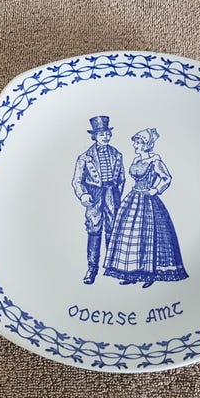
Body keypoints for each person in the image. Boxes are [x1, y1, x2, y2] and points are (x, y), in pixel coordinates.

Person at [104, 128, 188, 288]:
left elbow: (166, 178)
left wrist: (155, 189)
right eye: (135, 142)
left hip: (148, 201)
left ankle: (150, 274)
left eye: (138, 142)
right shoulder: (136, 159)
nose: (135, 145)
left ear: (146, 144)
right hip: (133, 197)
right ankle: (131, 273)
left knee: (147, 236)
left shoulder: (155, 160)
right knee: (130, 236)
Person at [72, 116, 125, 284]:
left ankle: (112, 266)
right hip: (94, 196)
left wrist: (117, 197)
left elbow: (121, 179)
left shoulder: (117, 154)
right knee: (94, 230)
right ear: (94, 136)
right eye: (102, 134)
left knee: (112, 229)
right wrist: (83, 194)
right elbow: (77, 181)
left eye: (108, 133)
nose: (106, 137)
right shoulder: (84, 157)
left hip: (111, 195)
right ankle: (92, 268)